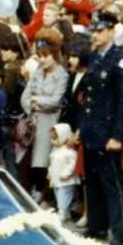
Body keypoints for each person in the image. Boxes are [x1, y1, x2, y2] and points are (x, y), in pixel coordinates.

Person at [78, 13, 123, 245]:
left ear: (112, 31)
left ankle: (118, 232)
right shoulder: (94, 57)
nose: (96, 35)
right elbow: (88, 97)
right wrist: (82, 128)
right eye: (94, 31)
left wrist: (117, 135)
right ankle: (96, 226)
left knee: (112, 183)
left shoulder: (122, 60)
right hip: (92, 129)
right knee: (92, 181)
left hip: (109, 131)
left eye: (100, 31)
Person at [20, 28, 69, 201]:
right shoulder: (38, 71)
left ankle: (42, 194)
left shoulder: (62, 74)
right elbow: (25, 97)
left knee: (43, 160)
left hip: (49, 121)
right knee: (30, 159)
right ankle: (33, 190)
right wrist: (32, 106)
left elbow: (55, 101)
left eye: (46, 56)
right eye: (39, 56)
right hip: (34, 121)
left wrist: (37, 100)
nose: (42, 60)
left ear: (54, 54)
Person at [48, 123, 79, 221]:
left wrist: (66, 174)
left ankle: (62, 212)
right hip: (56, 180)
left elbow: (72, 164)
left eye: (56, 138)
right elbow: (52, 164)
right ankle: (66, 212)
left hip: (66, 180)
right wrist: (49, 173)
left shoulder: (70, 152)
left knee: (64, 197)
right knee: (58, 196)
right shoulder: (55, 152)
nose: (53, 141)